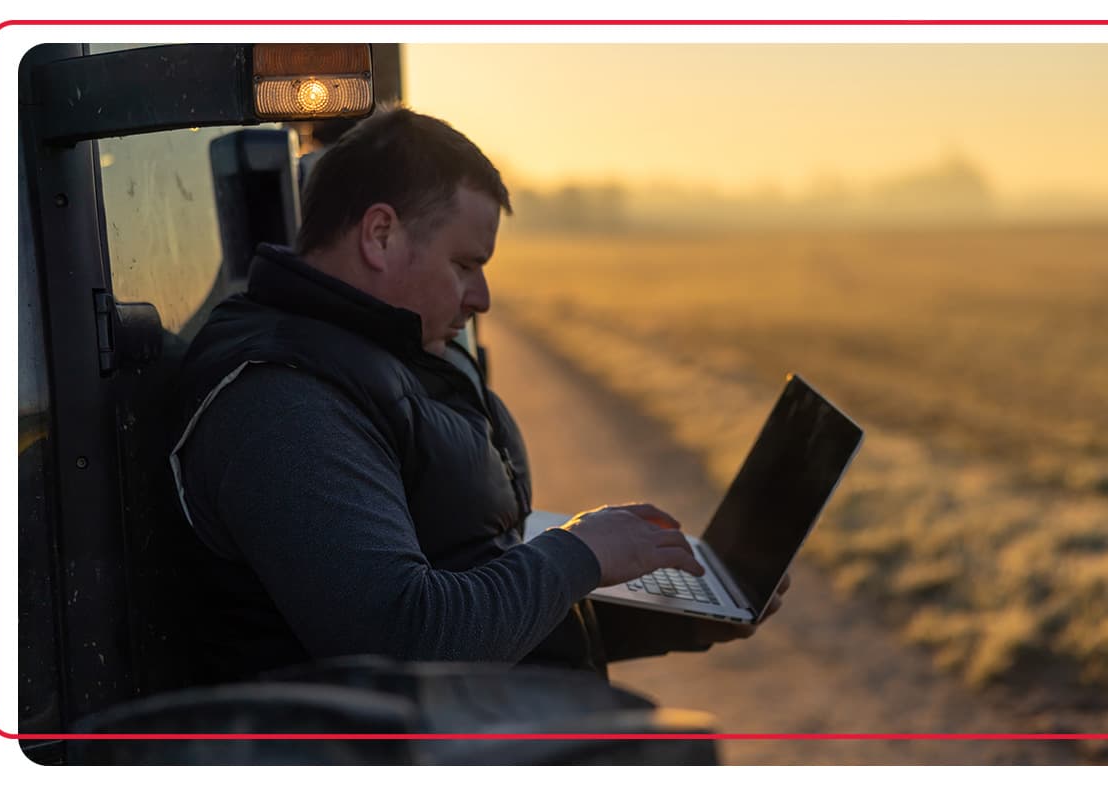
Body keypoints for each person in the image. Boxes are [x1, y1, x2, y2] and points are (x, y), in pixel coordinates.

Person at [170, 105, 788, 684]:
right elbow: (409, 637)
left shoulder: (386, 357)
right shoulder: (284, 406)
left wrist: (695, 617)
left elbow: (486, 598)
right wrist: (581, 553)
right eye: (465, 265)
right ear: (380, 235)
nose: (482, 297)